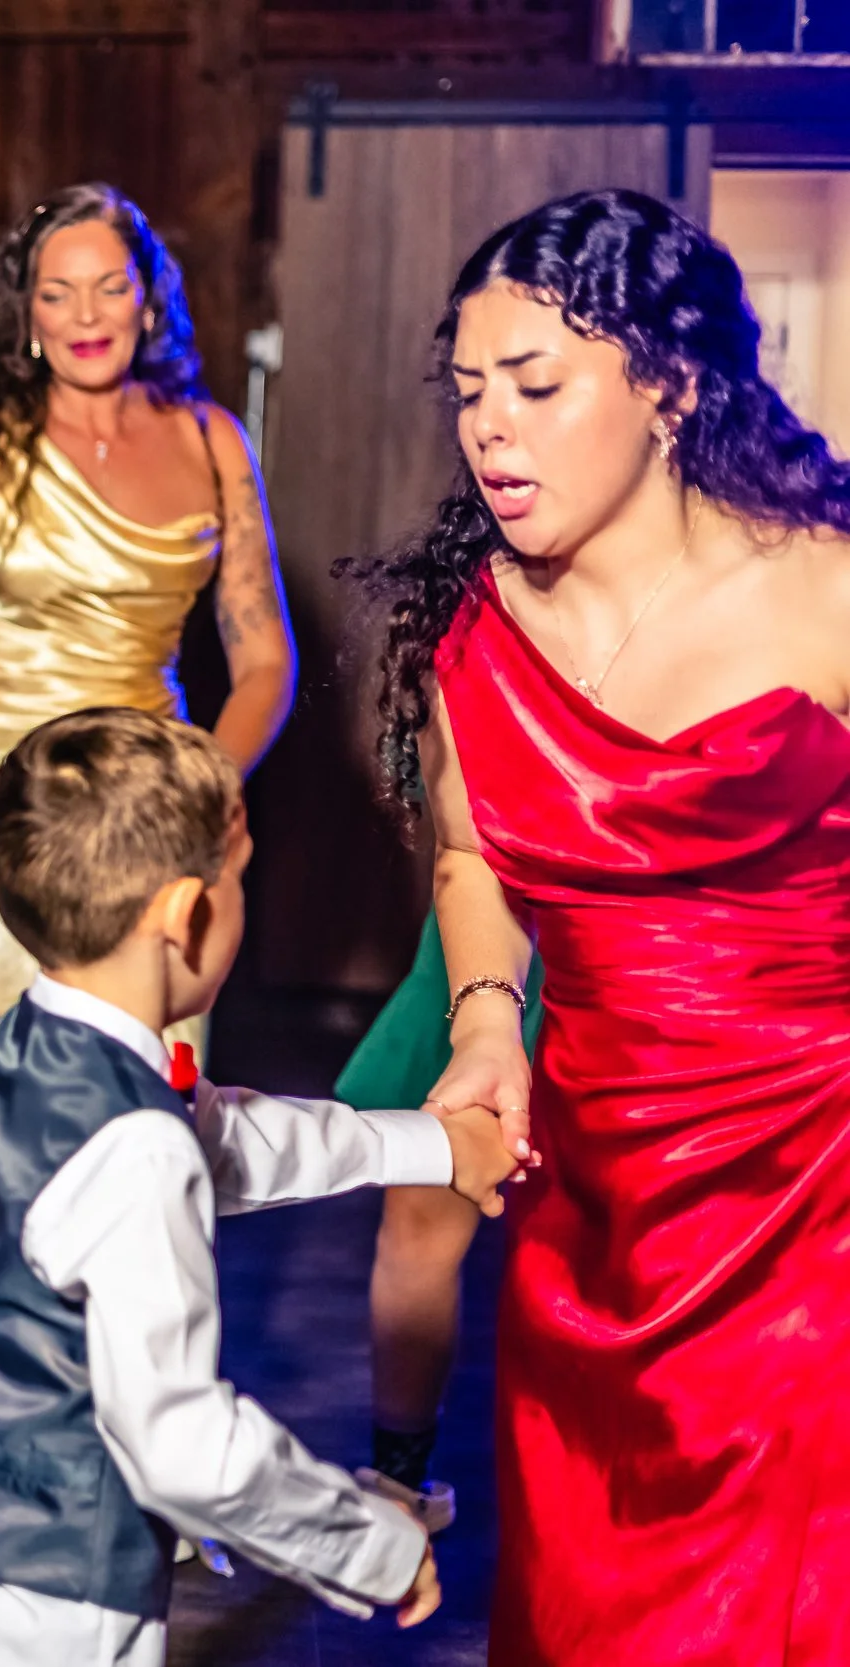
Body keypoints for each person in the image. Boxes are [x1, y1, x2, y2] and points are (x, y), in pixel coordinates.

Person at [341, 188, 850, 1663]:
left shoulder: (821, 591)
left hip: (821, 1193)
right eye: (468, 393)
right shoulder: (471, 626)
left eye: (538, 386)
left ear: (670, 388)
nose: (490, 428)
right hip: (602, 1216)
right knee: (591, 1607)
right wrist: (490, 1015)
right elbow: (470, 850)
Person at [0, 708, 526, 1667]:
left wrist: (431, 1145)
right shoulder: (130, 1137)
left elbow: (230, 1136)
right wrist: (372, 1543)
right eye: (239, 877)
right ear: (187, 914)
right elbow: (179, 1438)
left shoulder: (26, 1045)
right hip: (44, 1616)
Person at [0, 181, 298, 1353]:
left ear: (148, 300)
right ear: (24, 310)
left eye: (109, 286)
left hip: (156, 828)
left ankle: (136, 1403)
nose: (86, 313)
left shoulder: (212, 443)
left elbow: (266, 656)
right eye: (56, 289)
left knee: (143, 1102)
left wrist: (197, 790)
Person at [340, 912, 541, 1531]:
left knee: (419, 1238)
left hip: (513, 928)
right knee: (421, 1230)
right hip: (493, 940)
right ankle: (399, 1479)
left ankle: (399, 1487)